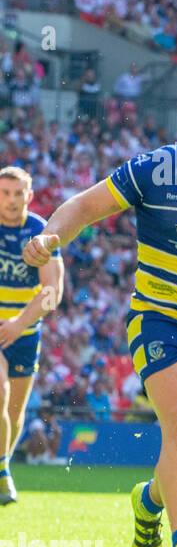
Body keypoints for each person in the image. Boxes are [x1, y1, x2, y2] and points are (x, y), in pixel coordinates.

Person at [24, 79, 177, 547]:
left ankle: (148, 501)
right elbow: (83, 206)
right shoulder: (157, 169)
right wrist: (50, 236)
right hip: (162, 319)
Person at [0, 166, 64, 503]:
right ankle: (2, 473)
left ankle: (2, 465)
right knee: (0, 392)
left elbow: (53, 292)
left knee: (13, 411)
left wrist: (18, 323)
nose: (11, 201)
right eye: (4, 193)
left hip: (24, 331)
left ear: (30, 196)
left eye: (17, 194)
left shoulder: (39, 232)